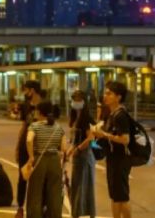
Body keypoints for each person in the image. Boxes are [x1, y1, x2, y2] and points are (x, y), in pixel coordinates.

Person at [92, 81, 132, 218]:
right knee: (115, 196)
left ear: (118, 97)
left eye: (109, 93)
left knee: (122, 197)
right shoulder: (113, 113)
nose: (105, 96)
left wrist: (104, 135)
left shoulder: (120, 115)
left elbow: (125, 139)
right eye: (105, 93)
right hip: (113, 159)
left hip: (120, 160)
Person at [24, 101, 67, 218]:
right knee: (54, 193)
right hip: (54, 160)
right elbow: (64, 147)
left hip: (39, 159)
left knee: (35, 192)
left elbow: (29, 140)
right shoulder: (58, 127)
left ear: (39, 112)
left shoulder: (34, 126)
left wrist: (31, 156)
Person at [15, 80, 44, 218]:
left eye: (26, 90)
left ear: (32, 90)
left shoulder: (45, 105)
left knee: (39, 178)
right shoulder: (25, 106)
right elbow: (23, 126)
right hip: (24, 146)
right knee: (22, 177)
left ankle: (38, 208)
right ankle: (20, 207)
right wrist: (17, 146)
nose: (25, 93)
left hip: (39, 146)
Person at [67, 90, 96, 218]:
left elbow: (90, 138)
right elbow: (74, 139)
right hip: (77, 157)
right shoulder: (75, 118)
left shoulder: (87, 118)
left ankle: (83, 214)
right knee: (76, 186)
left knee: (84, 187)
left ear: (84, 102)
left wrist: (78, 149)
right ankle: (77, 213)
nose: (75, 103)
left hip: (84, 157)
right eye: (74, 100)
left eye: (78, 100)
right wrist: (69, 149)